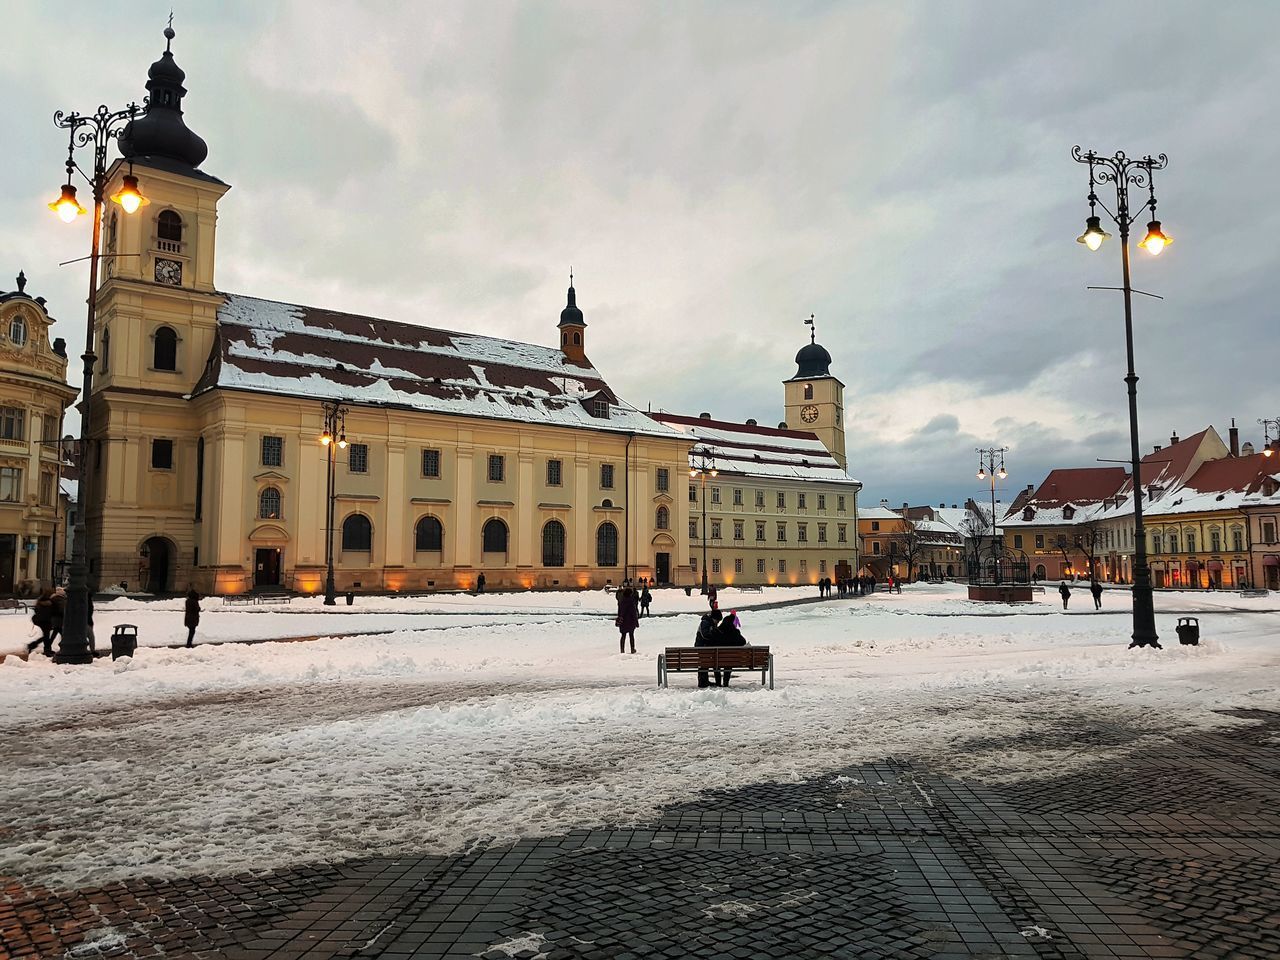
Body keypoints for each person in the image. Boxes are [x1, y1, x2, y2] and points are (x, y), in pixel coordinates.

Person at [713, 609, 748, 687]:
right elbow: (743, 642)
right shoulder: (735, 633)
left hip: (718, 659)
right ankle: (726, 682)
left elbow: (712, 643)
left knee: (716, 663)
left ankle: (718, 682)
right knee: (728, 662)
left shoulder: (718, 631)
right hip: (730, 659)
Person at [693, 608, 723, 688]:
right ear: (714, 618)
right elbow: (705, 635)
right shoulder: (705, 622)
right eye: (718, 620)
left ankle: (704, 680)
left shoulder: (710, 623)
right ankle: (703, 681)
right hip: (702, 647)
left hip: (705, 647)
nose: (718, 622)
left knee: (706, 663)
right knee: (704, 663)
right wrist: (714, 634)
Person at [29, 589, 54, 655]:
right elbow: (50, 612)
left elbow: (36, 610)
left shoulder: (39, 601)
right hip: (46, 621)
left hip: (40, 620)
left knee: (46, 635)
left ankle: (35, 645)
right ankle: (46, 650)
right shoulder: (49, 602)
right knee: (46, 636)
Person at [616, 582, 639, 654]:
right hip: (630, 621)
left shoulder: (621, 602)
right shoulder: (631, 602)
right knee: (631, 635)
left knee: (623, 636)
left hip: (623, 621)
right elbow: (634, 613)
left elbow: (619, 612)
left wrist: (619, 618)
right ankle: (632, 649)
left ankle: (622, 650)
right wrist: (636, 622)